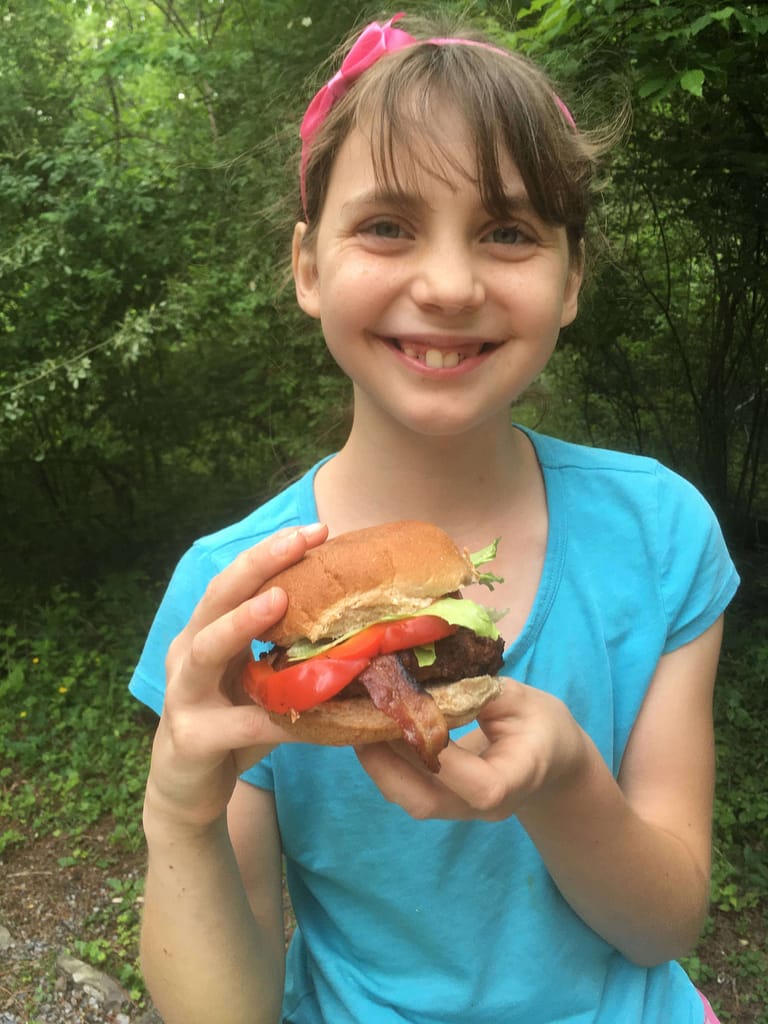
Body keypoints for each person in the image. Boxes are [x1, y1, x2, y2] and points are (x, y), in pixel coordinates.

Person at [128, 12, 738, 1024]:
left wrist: (567, 779)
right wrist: (179, 814)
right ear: (309, 266)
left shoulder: (661, 533)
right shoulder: (230, 598)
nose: (449, 285)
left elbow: (666, 926)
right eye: (387, 225)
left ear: (570, 279)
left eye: (507, 232)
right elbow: (223, 1010)